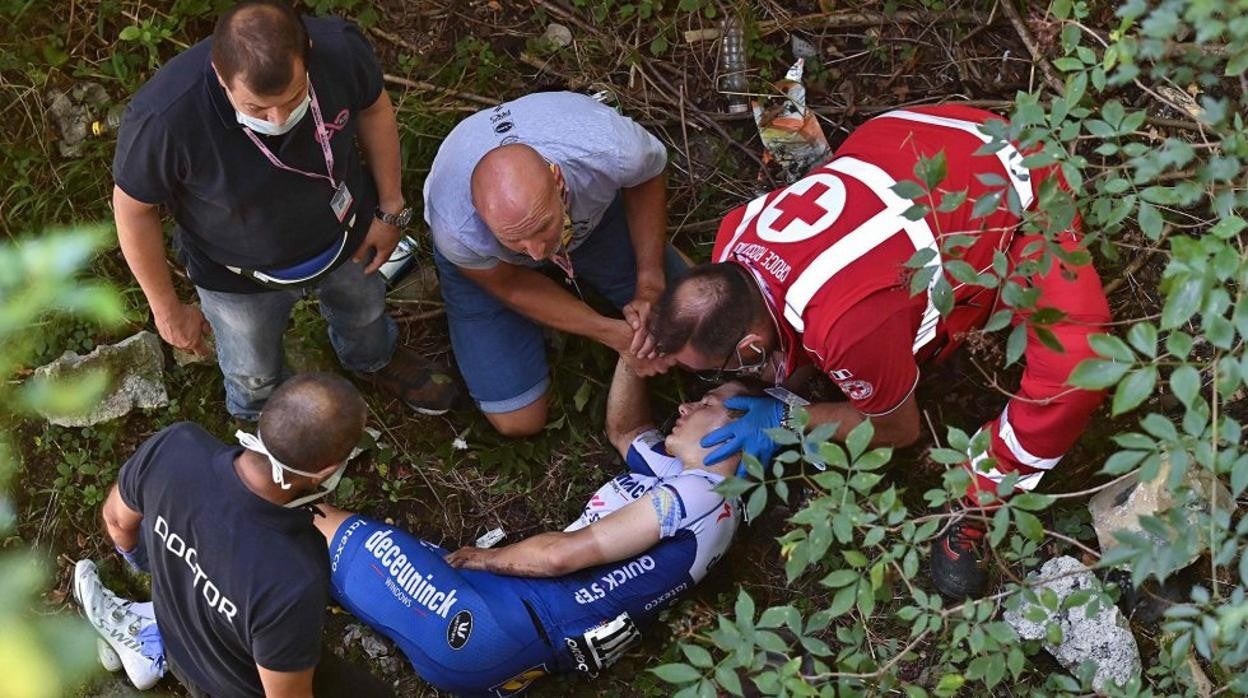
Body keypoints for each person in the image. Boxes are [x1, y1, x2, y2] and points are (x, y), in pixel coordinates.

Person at [646, 104, 1112, 599]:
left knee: (1076, 368)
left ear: (749, 346)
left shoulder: (843, 326)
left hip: (1021, 193)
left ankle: (979, 500)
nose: (704, 389)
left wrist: (786, 421)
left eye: (711, 373)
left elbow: (899, 428)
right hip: (911, 139)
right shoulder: (733, 236)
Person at [312, 357, 743, 696]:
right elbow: (626, 429)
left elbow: (561, 556)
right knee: (312, 558)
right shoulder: (684, 479)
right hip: (512, 641)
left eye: (708, 405)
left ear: (747, 433)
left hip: (494, 623)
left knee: (307, 522)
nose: (686, 405)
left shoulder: (704, 492)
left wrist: (489, 558)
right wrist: (631, 354)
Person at [112, 0, 458, 421]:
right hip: (238, 278)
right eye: (257, 108)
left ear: (308, 51)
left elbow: (374, 108)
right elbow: (133, 210)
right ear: (221, 77)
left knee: (366, 314)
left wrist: (390, 209)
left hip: (348, 235)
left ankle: (374, 360)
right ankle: (261, 418)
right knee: (252, 370)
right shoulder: (165, 119)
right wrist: (166, 309)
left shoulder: (340, 50)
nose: (279, 118)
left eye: (294, 97)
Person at [98, 373, 392, 697]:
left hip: (179, 649)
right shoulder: (293, 576)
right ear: (326, 472)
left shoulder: (176, 447)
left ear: (265, 414)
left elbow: (116, 520)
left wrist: (160, 566)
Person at [422, 90, 686, 437]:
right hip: (496, 268)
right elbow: (512, 283)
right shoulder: (456, 226)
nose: (534, 252)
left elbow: (647, 178)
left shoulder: (611, 149)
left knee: (689, 325)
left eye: (541, 227)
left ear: (558, 179)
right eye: (514, 239)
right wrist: (612, 334)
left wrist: (651, 282)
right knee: (518, 420)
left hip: (590, 222)